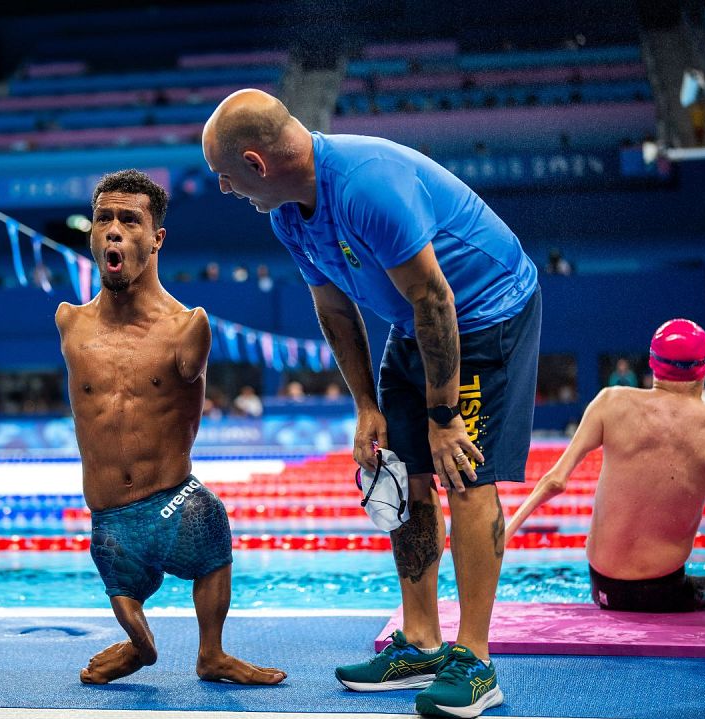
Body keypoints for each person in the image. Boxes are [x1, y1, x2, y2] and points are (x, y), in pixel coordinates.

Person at [203, 89, 539, 718]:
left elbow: (437, 299)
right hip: (415, 324)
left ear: (255, 163)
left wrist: (444, 418)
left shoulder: (367, 186)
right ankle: (420, 641)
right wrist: (365, 404)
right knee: (403, 473)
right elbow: (334, 309)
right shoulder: (287, 216)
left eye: (224, 174)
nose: (224, 188)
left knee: (463, 472)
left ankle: (476, 661)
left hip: (486, 313)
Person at [55, 169, 285, 686]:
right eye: (103, 219)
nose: (114, 230)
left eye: (129, 220)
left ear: (156, 239)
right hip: (109, 519)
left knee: (210, 516)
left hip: (174, 500)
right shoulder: (70, 322)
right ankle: (140, 646)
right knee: (128, 603)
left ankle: (212, 654)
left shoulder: (187, 328)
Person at [506, 319, 705, 638]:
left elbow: (555, 481)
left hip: (602, 587)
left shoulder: (610, 402)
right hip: (665, 593)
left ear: (652, 363)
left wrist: (502, 539)